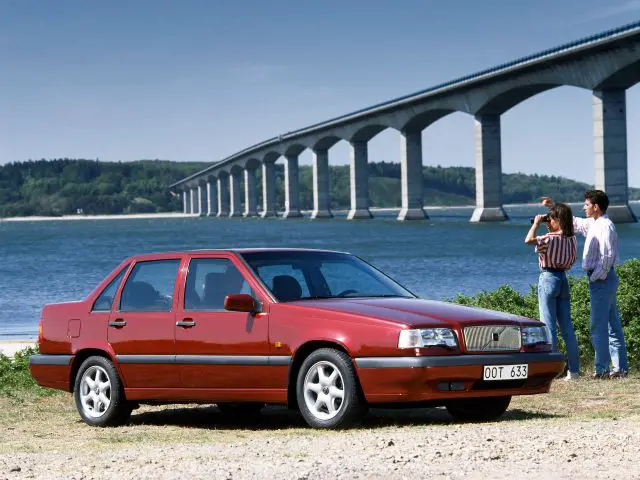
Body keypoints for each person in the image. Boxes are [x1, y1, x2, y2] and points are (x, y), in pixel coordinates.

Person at [542, 191, 628, 379]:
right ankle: (620, 368)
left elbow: (607, 256)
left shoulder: (605, 226)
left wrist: (595, 277)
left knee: (597, 326)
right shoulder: (594, 223)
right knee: (613, 324)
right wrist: (552, 207)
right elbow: (574, 222)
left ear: (596, 207)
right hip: (606, 278)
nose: (584, 207)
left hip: (602, 279)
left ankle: (602, 370)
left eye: (587, 204)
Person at [525, 203, 580, 380]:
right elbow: (572, 260)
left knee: (548, 325)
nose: (548, 223)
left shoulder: (549, 238)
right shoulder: (572, 238)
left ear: (558, 220)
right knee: (567, 328)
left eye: (551, 220)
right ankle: (574, 371)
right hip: (563, 279)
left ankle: (552, 371)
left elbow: (528, 240)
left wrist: (536, 223)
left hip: (548, 277)